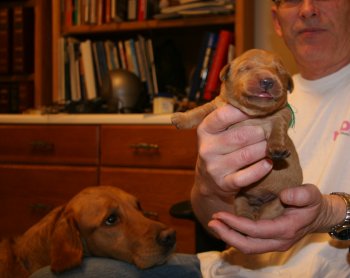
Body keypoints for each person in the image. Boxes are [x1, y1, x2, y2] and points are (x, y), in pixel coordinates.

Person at [32, 0, 350, 277]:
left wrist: (329, 213)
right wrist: (208, 184)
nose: (308, 9)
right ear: (276, 20)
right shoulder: (249, 99)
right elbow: (209, 216)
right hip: (225, 270)